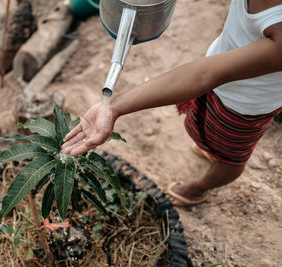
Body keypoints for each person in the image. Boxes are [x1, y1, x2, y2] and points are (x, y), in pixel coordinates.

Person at [62, 0, 282, 206]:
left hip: (246, 105)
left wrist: (114, 107)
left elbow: (202, 75)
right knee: (207, 126)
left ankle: (201, 187)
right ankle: (210, 147)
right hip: (219, 65)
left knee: (230, 157)